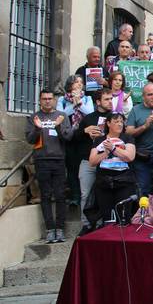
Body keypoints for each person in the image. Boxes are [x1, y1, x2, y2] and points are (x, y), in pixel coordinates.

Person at [25, 89, 72, 243]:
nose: (47, 101)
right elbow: (30, 139)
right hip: (41, 160)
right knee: (45, 195)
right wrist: (38, 128)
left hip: (58, 160)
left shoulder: (62, 116)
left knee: (60, 195)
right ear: (40, 100)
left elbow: (68, 136)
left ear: (54, 100)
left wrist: (58, 126)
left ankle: (60, 229)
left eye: (50, 98)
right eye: (44, 98)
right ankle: (49, 229)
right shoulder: (34, 117)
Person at [73, 89, 113, 235]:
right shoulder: (88, 118)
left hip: (107, 160)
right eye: (107, 99)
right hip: (87, 162)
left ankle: (103, 222)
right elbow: (74, 137)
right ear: (98, 102)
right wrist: (85, 131)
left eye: (111, 99)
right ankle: (86, 224)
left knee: (105, 193)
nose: (110, 102)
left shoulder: (115, 118)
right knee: (85, 194)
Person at [88, 113, 137, 224]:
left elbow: (130, 157)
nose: (120, 124)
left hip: (124, 182)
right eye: (116, 121)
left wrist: (113, 148)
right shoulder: (99, 140)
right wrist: (105, 153)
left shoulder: (128, 138)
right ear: (108, 123)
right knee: (107, 217)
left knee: (124, 215)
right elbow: (92, 161)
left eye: (121, 121)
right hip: (104, 182)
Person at [57, 75, 95, 207]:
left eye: (81, 82)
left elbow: (89, 112)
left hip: (84, 136)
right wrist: (73, 104)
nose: (79, 84)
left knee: (82, 167)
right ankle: (75, 196)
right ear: (69, 85)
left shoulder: (88, 98)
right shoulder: (62, 99)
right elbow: (60, 115)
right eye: (76, 82)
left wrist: (79, 103)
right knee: (71, 168)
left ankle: (86, 197)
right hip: (69, 137)